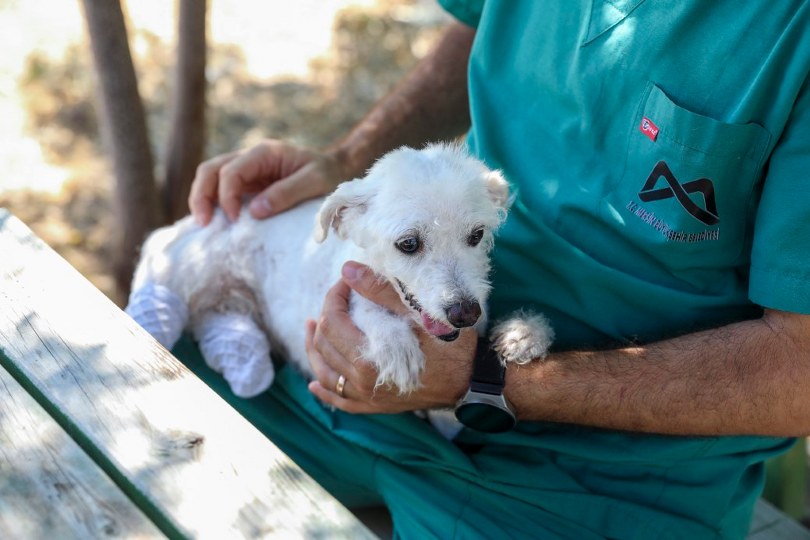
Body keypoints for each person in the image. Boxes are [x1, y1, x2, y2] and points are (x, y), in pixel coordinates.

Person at [178, 1, 810, 538]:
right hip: (357, 387)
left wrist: (485, 381)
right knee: (149, 396)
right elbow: (479, 24)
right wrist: (349, 162)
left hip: (602, 481)